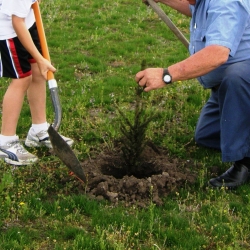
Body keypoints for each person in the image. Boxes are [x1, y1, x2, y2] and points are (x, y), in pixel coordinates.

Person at [136, 0, 250, 188]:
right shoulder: (204, 2)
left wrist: (165, 75)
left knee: (236, 76)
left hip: (241, 82)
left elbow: (218, 53)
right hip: (227, 86)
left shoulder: (227, 3)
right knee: (206, 135)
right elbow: (194, 9)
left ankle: (245, 162)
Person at [0, 0, 73, 166]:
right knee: (21, 80)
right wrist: (40, 58)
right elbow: (16, 22)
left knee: (38, 73)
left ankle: (39, 129)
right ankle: (6, 141)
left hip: (27, 21)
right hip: (10, 31)